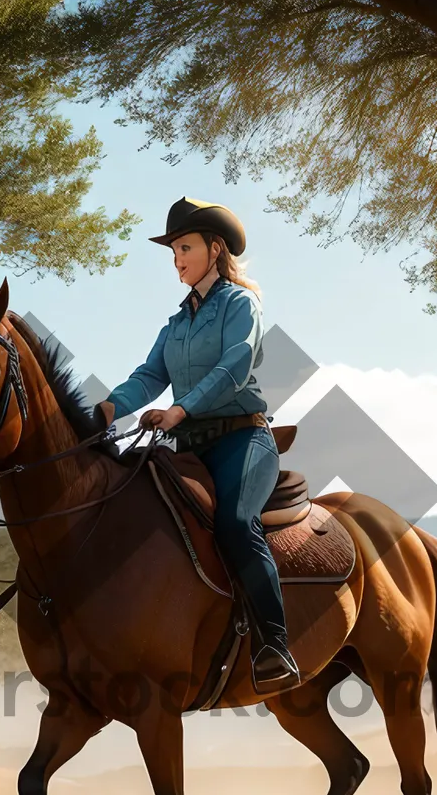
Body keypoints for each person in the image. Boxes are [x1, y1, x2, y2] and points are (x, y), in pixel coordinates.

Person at [96, 197, 300, 689]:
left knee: (233, 521)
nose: (177, 259)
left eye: (184, 247)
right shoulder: (176, 324)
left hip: (242, 439)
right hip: (188, 445)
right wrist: (103, 410)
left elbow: (235, 367)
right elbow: (148, 375)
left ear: (214, 248)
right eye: (173, 252)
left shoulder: (240, 303)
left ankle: (276, 645)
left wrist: (181, 409)